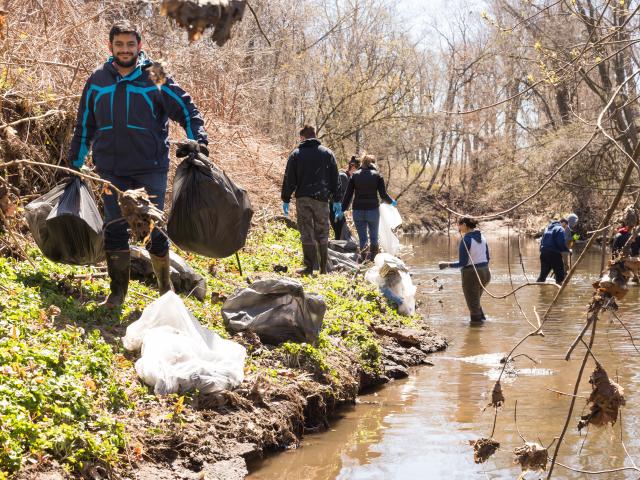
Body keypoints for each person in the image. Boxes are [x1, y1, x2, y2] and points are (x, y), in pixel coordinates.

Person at [67, 21, 208, 308]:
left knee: (153, 228)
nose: (125, 50)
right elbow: (84, 126)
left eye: (130, 44)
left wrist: (199, 141)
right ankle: (117, 294)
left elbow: (186, 109)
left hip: (150, 166)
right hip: (111, 169)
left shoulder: (155, 74)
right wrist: (75, 164)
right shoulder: (97, 80)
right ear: (110, 47)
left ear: (139, 46)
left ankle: (165, 291)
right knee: (115, 227)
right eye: (119, 44)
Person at [281, 125, 339, 275]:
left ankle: (309, 267)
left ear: (302, 137)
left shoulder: (296, 154)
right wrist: (337, 199)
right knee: (322, 231)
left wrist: (286, 198)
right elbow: (335, 178)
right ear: (315, 135)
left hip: (303, 198)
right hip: (322, 199)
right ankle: (323, 268)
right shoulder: (328, 153)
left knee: (306, 230)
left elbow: (289, 178)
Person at [341, 154, 396, 262]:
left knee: (362, 238)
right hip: (373, 211)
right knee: (374, 237)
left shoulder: (355, 175)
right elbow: (383, 195)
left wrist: (342, 209)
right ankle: (374, 260)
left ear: (362, 163)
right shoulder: (377, 175)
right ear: (373, 163)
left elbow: (348, 195)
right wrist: (392, 202)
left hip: (358, 210)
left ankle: (364, 260)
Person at [438, 218, 491, 323]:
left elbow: (462, 263)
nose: (458, 227)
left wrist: (447, 264)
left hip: (472, 275)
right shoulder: (483, 238)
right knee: (475, 302)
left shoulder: (466, 240)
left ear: (465, 225)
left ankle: (476, 329)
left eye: (459, 225)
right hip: (486, 273)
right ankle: (482, 324)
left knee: (473, 306)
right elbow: (488, 258)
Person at [330, 156, 360, 240]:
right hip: (335, 210)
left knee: (340, 234)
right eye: (358, 169)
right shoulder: (343, 177)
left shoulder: (349, 178)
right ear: (353, 167)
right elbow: (337, 194)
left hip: (339, 211)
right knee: (340, 234)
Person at [537, 216, 573, 284]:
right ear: (563, 223)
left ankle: (540, 290)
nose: (565, 228)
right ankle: (560, 292)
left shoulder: (547, 228)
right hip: (554, 254)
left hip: (544, 253)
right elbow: (561, 243)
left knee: (542, 276)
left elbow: (541, 241)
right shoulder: (560, 229)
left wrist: (542, 251)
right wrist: (568, 251)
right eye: (565, 226)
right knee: (560, 277)